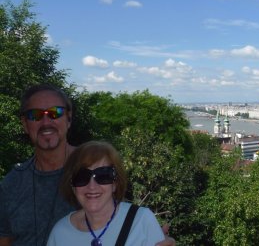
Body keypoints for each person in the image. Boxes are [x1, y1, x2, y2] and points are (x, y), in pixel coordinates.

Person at [0, 84, 174, 246]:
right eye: (35, 115)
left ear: (69, 119)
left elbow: (123, 223)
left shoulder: (99, 169)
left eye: (55, 112)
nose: (46, 122)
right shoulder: (10, 187)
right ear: (24, 123)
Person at [47, 140, 165, 245]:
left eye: (103, 175)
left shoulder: (141, 221)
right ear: (72, 185)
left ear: (115, 183)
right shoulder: (60, 233)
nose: (92, 186)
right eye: (82, 177)